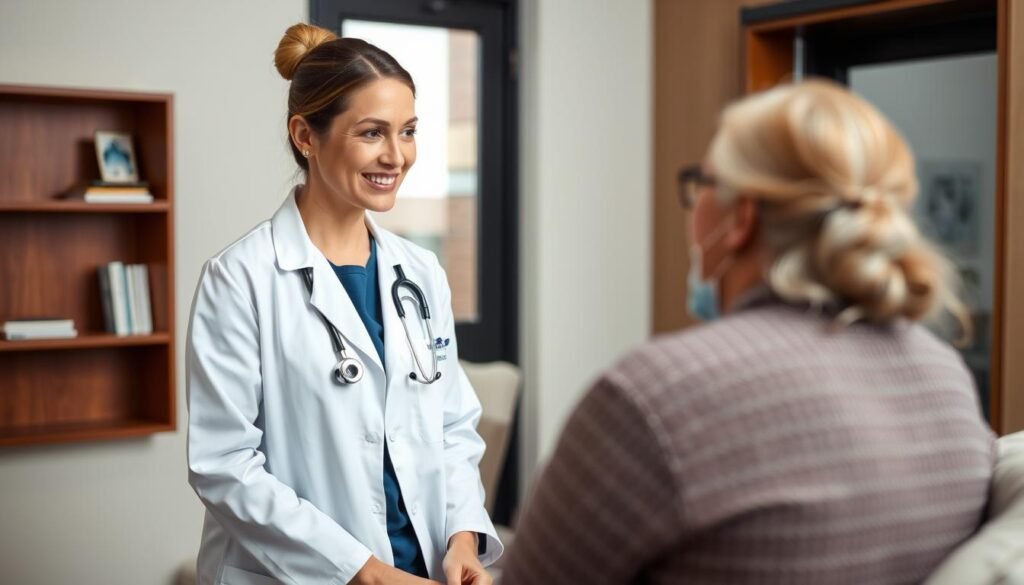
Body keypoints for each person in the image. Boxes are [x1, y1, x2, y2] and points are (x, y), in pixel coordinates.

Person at [500, 79, 995, 584]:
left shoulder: (657, 395)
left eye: (701, 183)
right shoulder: (947, 383)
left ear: (741, 217)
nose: (693, 205)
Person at [186, 23, 500, 585]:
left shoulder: (420, 273)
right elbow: (224, 466)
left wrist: (462, 539)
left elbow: (452, 426)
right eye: (372, 133)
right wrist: (362, 571)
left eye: (408, 131)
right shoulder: (239, 279)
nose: (396, 156)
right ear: (305, 136)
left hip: (423, 570)